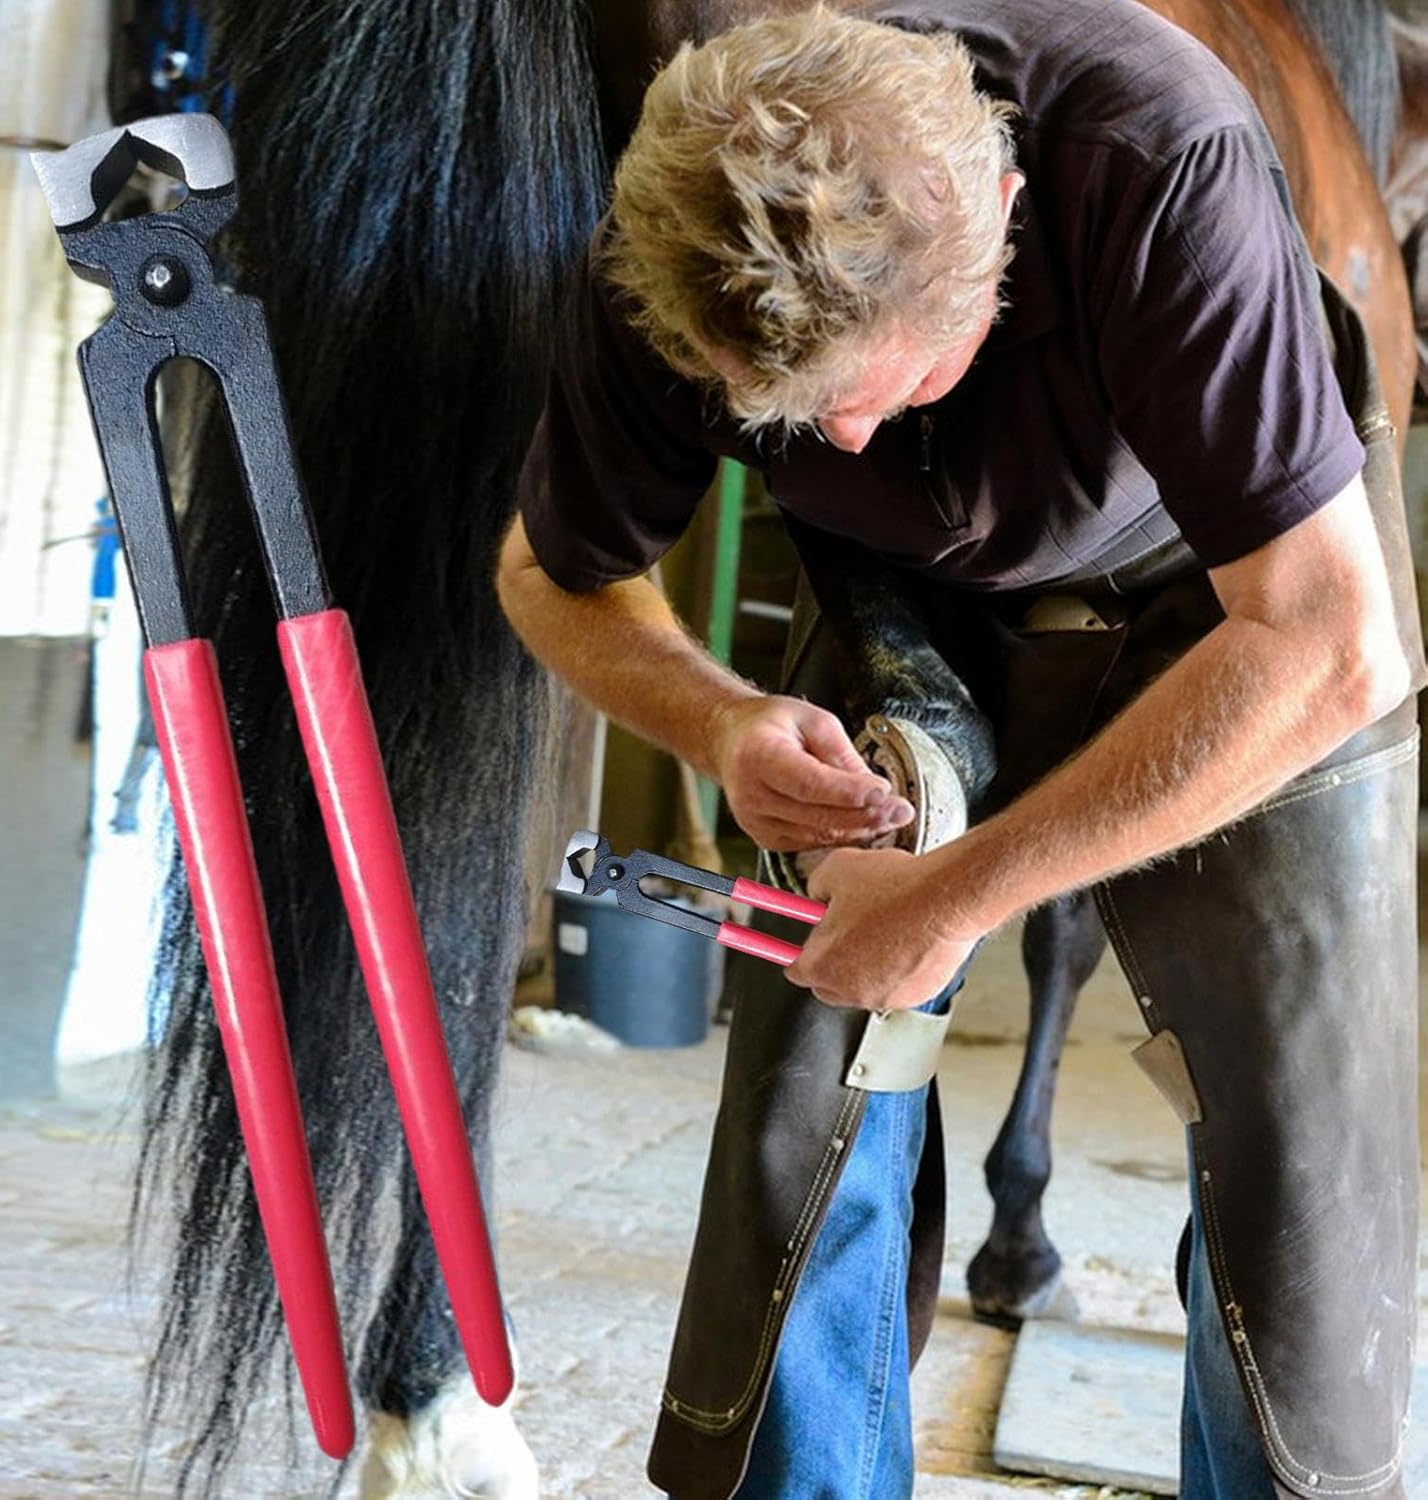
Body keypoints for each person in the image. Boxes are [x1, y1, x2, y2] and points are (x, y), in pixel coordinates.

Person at [497, 4, 1425, 1497]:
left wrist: (954, 900)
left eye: (894, 387)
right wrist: (719, 718)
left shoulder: (1151, 153)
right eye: (802, 418)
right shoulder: (676, 241)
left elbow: (1332, 645)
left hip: (1239, 588)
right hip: (905, 594)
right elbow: (549, 576)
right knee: (813, 1095)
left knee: (1304, 1171)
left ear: (1003, 213)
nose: (845, 444)